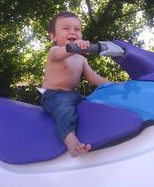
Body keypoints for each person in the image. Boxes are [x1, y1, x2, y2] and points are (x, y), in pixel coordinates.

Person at [40, 11, 110, 157]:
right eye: (66, 28)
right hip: (53, 95)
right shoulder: (54, 52)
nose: (72, 32)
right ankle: (70, 140)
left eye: (77, 29)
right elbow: (63, 52)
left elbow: (93, 77)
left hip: (73, 95)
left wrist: (113, 85)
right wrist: (74, 47)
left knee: (91, 102)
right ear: (53, 36)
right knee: (64, 109)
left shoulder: (81, 59)